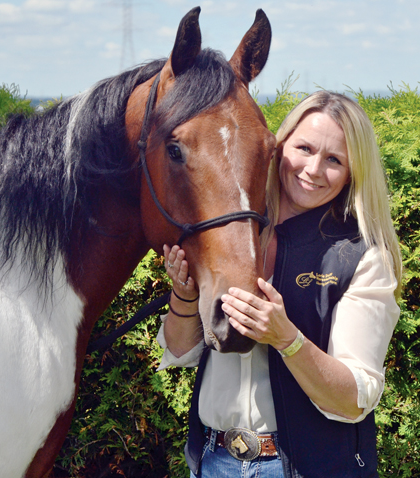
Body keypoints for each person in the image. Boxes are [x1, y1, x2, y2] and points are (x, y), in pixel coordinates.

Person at [158, 90, 402, 478]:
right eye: (304, 148)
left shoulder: (361, 256)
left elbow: (355, 398)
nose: (313, 169)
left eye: (334, 159)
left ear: (353, 172)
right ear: (279, 146)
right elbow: (180, 350)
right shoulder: (235, 233)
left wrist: (288, 339)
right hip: (212, 460)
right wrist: (185, 295)